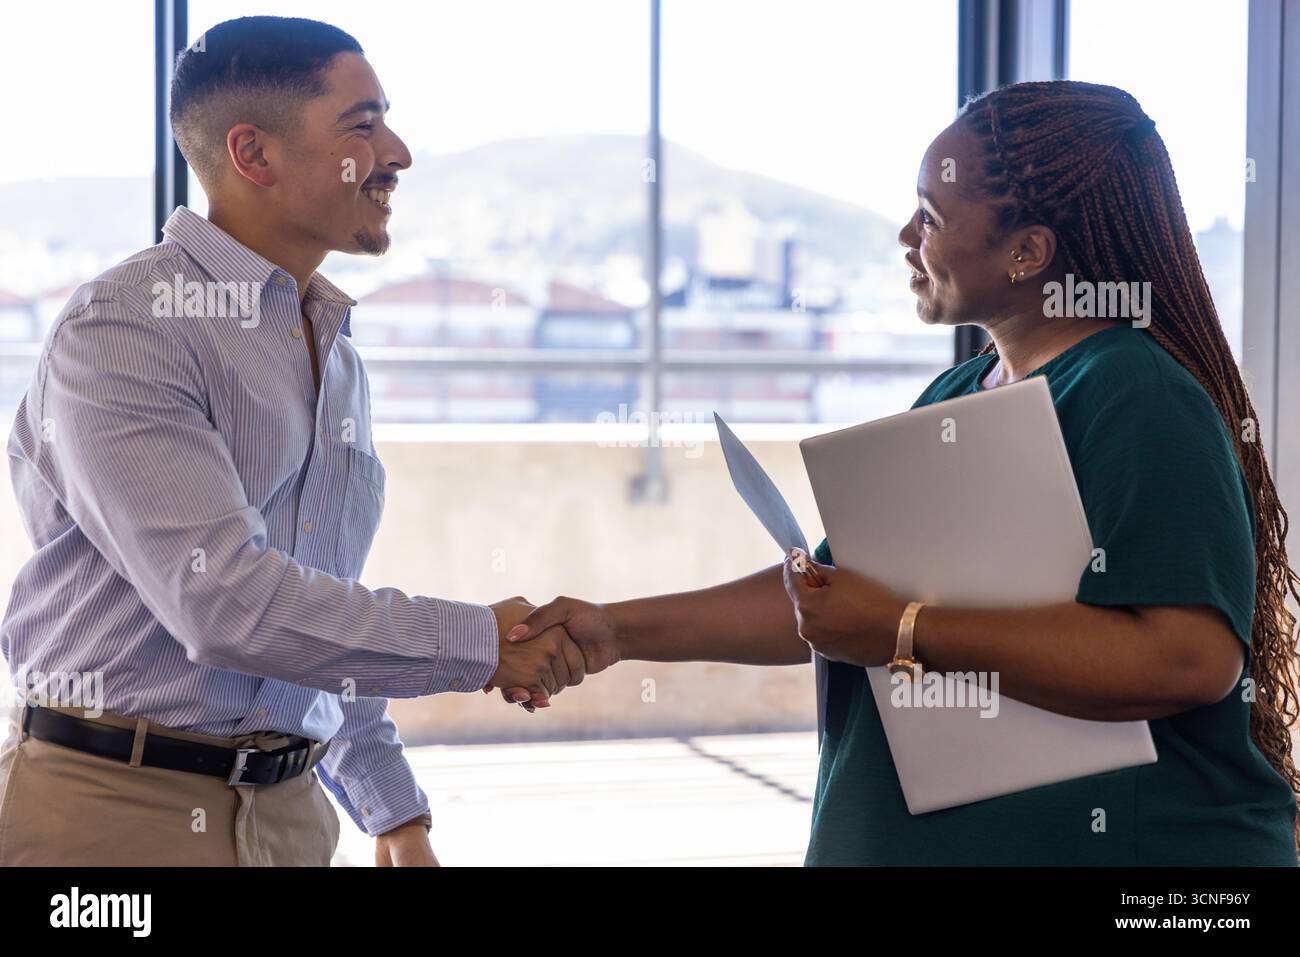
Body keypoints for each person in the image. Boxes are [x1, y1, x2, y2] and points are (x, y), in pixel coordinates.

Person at [500, 80, 1300, 866]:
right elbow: (829, 600)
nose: (905, 235)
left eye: (931, 215)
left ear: (1027, 252)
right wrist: (615, 629)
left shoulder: (1137, 393)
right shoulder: (960, 393)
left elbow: (1189, 656)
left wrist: (904, 630)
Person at [0, 16, 584, 868]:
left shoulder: (334, 354)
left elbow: (314, 616)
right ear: (254, 153)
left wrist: (392, 810)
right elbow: (230, 606)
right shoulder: (127, 327)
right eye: (362, 125)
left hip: (293, 817)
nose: (397, 153)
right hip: (109, 815)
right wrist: (481, 643)